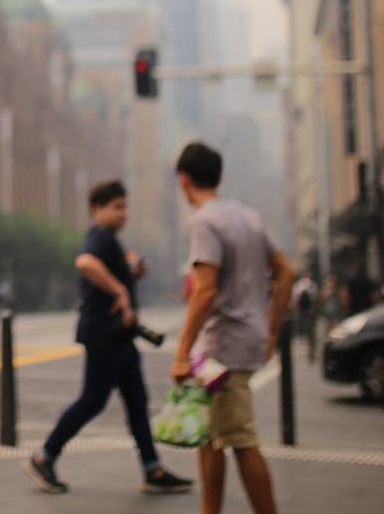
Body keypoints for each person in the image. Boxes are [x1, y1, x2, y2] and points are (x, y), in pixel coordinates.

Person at [23, 180, 192, 495]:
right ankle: (43, 457)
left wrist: (130, 277)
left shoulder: (108, 239)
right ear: (96, 209)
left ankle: (152, 469)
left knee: (137, 402)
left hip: (118, 338)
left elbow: (102, 271)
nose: (123, 213)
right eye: (116, 207)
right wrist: (121, 290)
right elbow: (85, 263)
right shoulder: (100, 237)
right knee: (93, 400)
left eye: (125, 206)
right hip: (105, 336)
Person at [171, 142, 296, 514]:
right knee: (211, 436)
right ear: (220, 176)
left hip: (224, 345)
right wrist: (271, 330)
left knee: (240, 438)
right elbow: (286, 273)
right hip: (246, 337)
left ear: (184, 179)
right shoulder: (248, 216)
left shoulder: (203, 221)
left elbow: (206, 290)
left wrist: (181, 353)